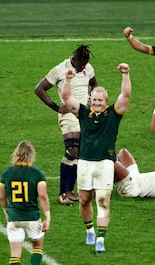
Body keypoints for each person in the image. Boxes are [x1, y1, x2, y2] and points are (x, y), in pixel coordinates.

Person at [60, 63, 131, 253]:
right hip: (84, 163)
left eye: (100, 100)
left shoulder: (113, 114)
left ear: (106, 101)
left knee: (103, 200)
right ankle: (90, 230)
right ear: (90, 100)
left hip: (105, 163)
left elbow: (125, 96)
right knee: (84, 199)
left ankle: (101, 239)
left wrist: (125, 75)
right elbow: (66, 97)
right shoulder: (83, 112)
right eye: (94, 100)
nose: (97, 103)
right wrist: (67, 79)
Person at [35, 45, 98, 206]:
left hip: (84, 114)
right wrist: (56, 107)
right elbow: (39, 89)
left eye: (85, 64)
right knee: (72, 150)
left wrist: (93, 97)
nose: (83, 67)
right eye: (81, 64)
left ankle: (70, 191)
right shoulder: (60, 69)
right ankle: (62, 193)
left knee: (80, 152)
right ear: (74, 59)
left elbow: (94, 83)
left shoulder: (88, 68)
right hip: (68, 115)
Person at [0, 140, 50, 265]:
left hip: (14, 217)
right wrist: (47, 217)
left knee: (15, 256)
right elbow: (42, 196)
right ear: (32, 154)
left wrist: (6, 211)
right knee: (37, 247)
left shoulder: (6, 174)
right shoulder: (37, 174)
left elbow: (1, 197)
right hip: (32, 217)